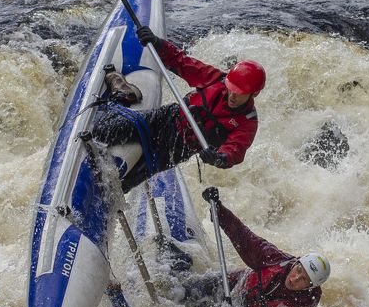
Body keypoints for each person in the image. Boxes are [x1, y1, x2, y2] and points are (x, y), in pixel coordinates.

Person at [93, 25, 264, 192]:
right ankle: (123, 93)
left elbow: (235, 150)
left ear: (254, 94)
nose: (232, 95)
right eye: (230, 88)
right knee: (104, 131)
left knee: (121, 186)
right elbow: (183, 63)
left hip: (177, 149)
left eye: (239, 93)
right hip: (166, 118)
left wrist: (219, 158)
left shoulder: (247, 123)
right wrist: (158, 43)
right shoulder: (216, 79)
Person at [178, 187, 331, 307]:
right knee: (185, 290)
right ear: (296, 262)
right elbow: (244, 236)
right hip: (233, 285)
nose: (295, 278)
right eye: (298, 270)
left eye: (303, 279)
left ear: (309, 286)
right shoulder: (275, 259)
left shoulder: (301, 304)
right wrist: (219, 211)